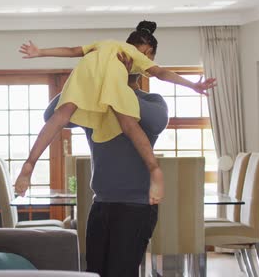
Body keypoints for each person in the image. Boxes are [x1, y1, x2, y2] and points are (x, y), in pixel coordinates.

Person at [15, 20, 216, 205]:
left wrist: (40, 52)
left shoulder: (104, 44)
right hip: (104, 200)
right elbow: (161, 73)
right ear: (147, 52)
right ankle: (155, 170)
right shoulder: (136, 56)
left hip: (85, 70)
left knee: (62, 115)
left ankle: (30, 163)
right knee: (129, 123)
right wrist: (192, 85)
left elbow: (72, 50)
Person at [44, 70, 167, 277]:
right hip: (100, 205)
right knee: (95, 273)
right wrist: (83, 74)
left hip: (136, 207)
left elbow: (157, 122)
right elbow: (50, 115)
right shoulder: (95, 107)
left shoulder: (151, 102)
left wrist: (116, 90)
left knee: (121, 272)